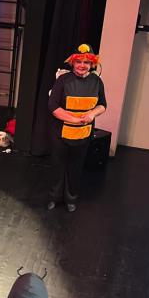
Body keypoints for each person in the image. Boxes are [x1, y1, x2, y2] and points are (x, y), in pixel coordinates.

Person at [47, 44, 107, 212]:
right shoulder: (63, 80)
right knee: (58, 166)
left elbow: (103, 104)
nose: (82, 65)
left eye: (86, 62)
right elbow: (53, 106)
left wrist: (92, 114)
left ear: (92, 64)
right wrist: (74, 119)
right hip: (60, 133)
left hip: (83, 134)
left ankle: (71, 198)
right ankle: (54, 197)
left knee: (75, 167)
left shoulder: (97, 82)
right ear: (72, 62)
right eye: (78, 61)